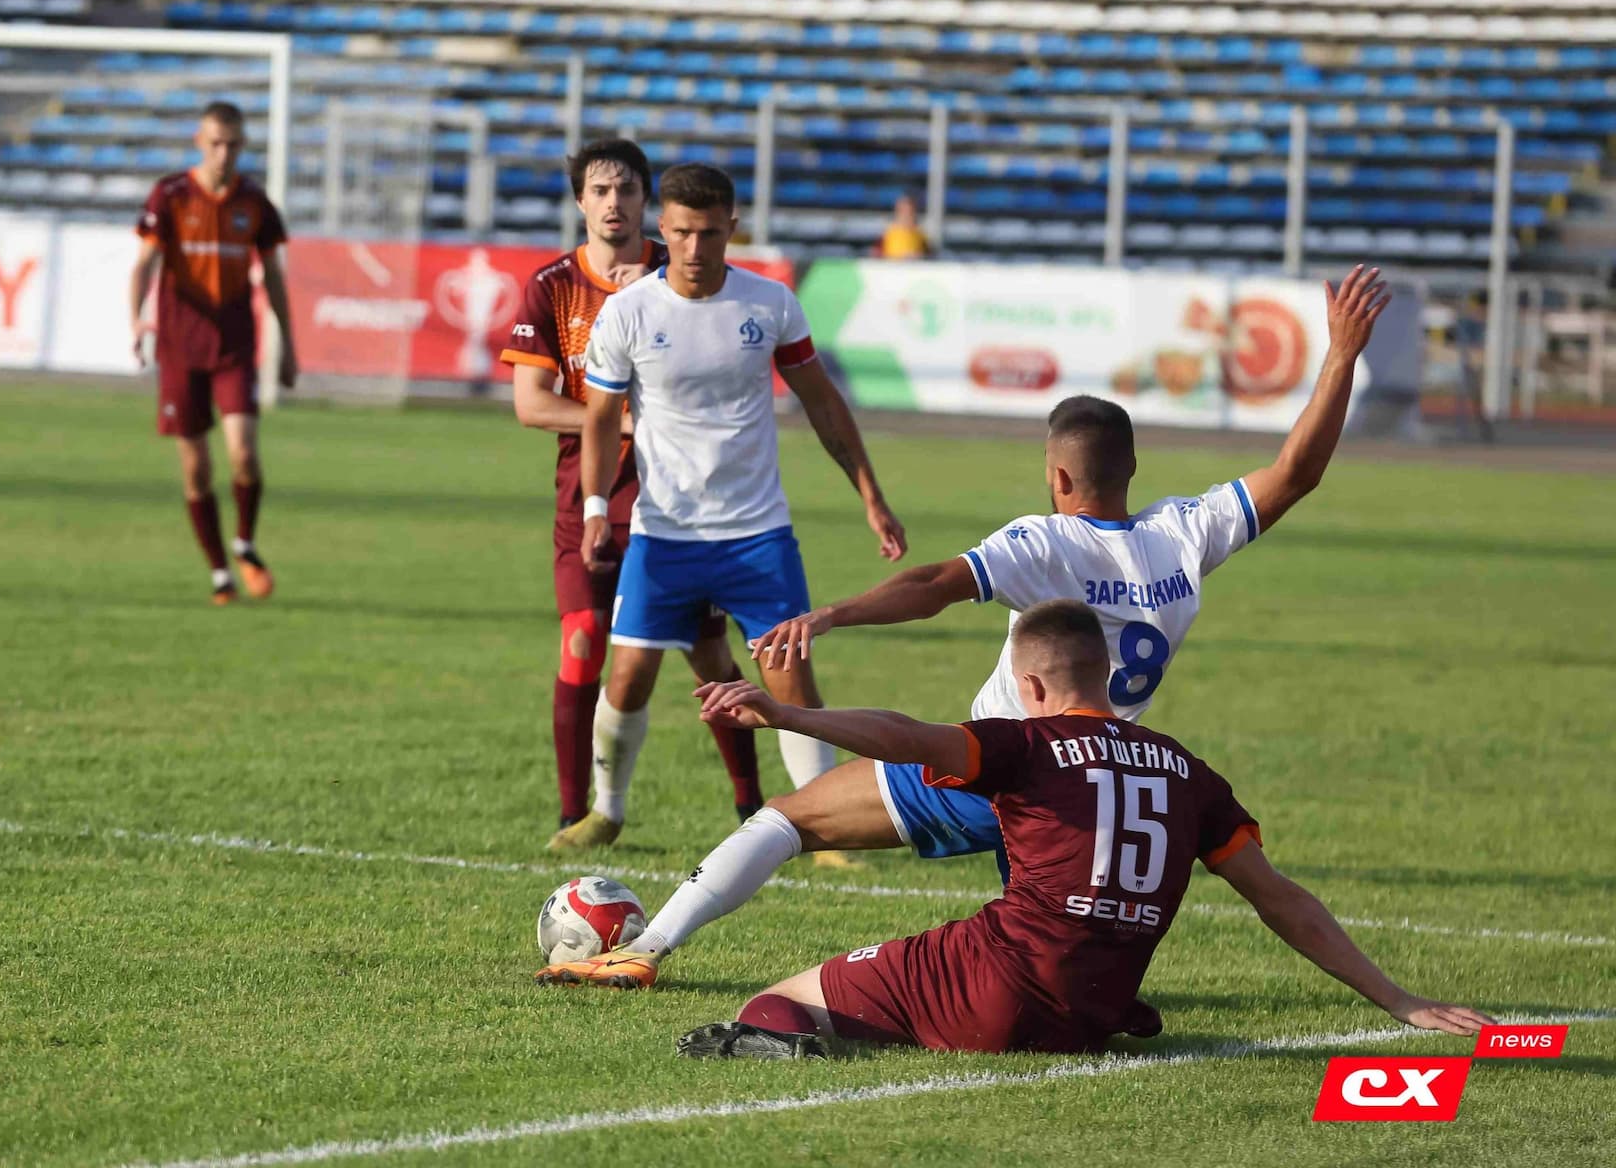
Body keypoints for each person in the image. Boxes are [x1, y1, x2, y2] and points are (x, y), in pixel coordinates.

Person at [538, 264, 1391, 987]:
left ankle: (646, 947)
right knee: (1045, 936)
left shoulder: (1044, 542)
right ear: (1132, 466)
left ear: (1057, 474)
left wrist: (832, 614)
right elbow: (1297, 470)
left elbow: (936, 582)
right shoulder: (1186, 533)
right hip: (1092, 789)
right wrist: (1341, 354)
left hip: (1002, 765)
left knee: (787, 820)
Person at [670, 601, 1496, 1058]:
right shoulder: (1188, 770)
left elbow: (903, 735)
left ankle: (792, 1048)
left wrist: (784, 712)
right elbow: (1282, 900)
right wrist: (1400, 999)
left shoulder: (1023, 744)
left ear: (1028, 683)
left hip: (992, 988)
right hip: (1092, 1016)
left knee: (775, 1001)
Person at [550, 162, 907, 853]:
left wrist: (871, 496)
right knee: (627, 675)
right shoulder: (628, 312)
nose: (693, 248)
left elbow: (823, 404)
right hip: (664, 533)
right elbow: (598, 419)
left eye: (708, 232)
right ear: (663, 228)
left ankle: (824, 829)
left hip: (757, 534)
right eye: (681, 232)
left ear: (730, 229)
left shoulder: (768, 305)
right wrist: (597, 505)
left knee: (791, 682)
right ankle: (608, 810)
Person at [501, 139, 768, 845]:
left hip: (682, 501)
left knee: (708, 655)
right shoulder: (553, 286)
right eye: (599, 189)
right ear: (580, 201)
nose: (613, 202)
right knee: (584, 640)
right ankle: (575, 811)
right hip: (587, 497)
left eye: (626, 189)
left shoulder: (678, 273)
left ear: (646, 199)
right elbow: (531, 403)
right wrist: (617, 418)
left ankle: (751, 804)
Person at [129, 100, 298, 604]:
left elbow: (272, 276)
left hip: (234, 346)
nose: (224, 153)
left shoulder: (255, 204)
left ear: (242, 146)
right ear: (199, 143)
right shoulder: (171, 195)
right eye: (215, 143)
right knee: (196, 469)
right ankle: (220, 572)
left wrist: (288, 343)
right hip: (180, 349)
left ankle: (244, 541)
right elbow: (143, 265)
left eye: (233, 144)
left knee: (244, 453)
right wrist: (137, 317)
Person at [875, 193, 929, 260]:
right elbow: (878, 254)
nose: (907, 215)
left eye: (910, 212)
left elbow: (928, 254)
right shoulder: (889, 233)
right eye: (904, 211)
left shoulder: (920, 234)